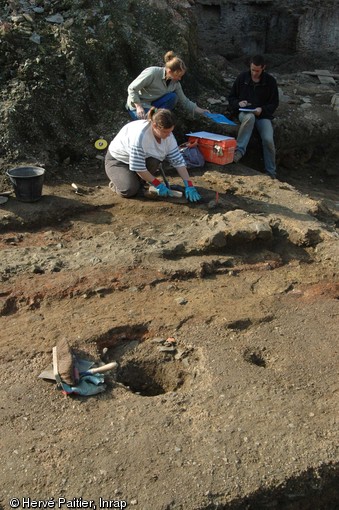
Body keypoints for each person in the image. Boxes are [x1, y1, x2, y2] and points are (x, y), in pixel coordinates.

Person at [105, 107, 201, 202]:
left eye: (170, 131)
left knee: (154, 160)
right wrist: (158, 184)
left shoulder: (169, 136)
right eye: (165, 132)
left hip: (141, 159)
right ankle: (117, 183)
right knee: (129, 190)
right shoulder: (140, 138)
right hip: (118, 161)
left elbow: (178, 161)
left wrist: (189, 185)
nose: (168, 135)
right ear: (154, 126)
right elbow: (139, 168)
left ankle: (138, 182)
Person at [228, 55, 279, 178]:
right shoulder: (242, 78)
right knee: (249, 118)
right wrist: (238, 103)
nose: (254, 73)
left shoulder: (270, 81)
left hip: (262, 115)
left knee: (268, 139)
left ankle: (271, 172)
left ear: (263, 68)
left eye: (257, 70)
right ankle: (238, 152)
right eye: (252, 70)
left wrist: (262, 110)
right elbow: (231, 98)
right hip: (245, 113)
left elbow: (274, 103)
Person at [126, 50, 209, 120]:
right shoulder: (152, 73)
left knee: (172, 97)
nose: (180, 79)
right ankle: (156, 117)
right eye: (178, 75)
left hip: (153, 105)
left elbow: (185, 101)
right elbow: (132, 88)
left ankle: (159, 115)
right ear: (169, 71)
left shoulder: (175, 83)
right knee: (152, 123)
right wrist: (138, 106)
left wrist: (202, 111)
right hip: (139, 105)